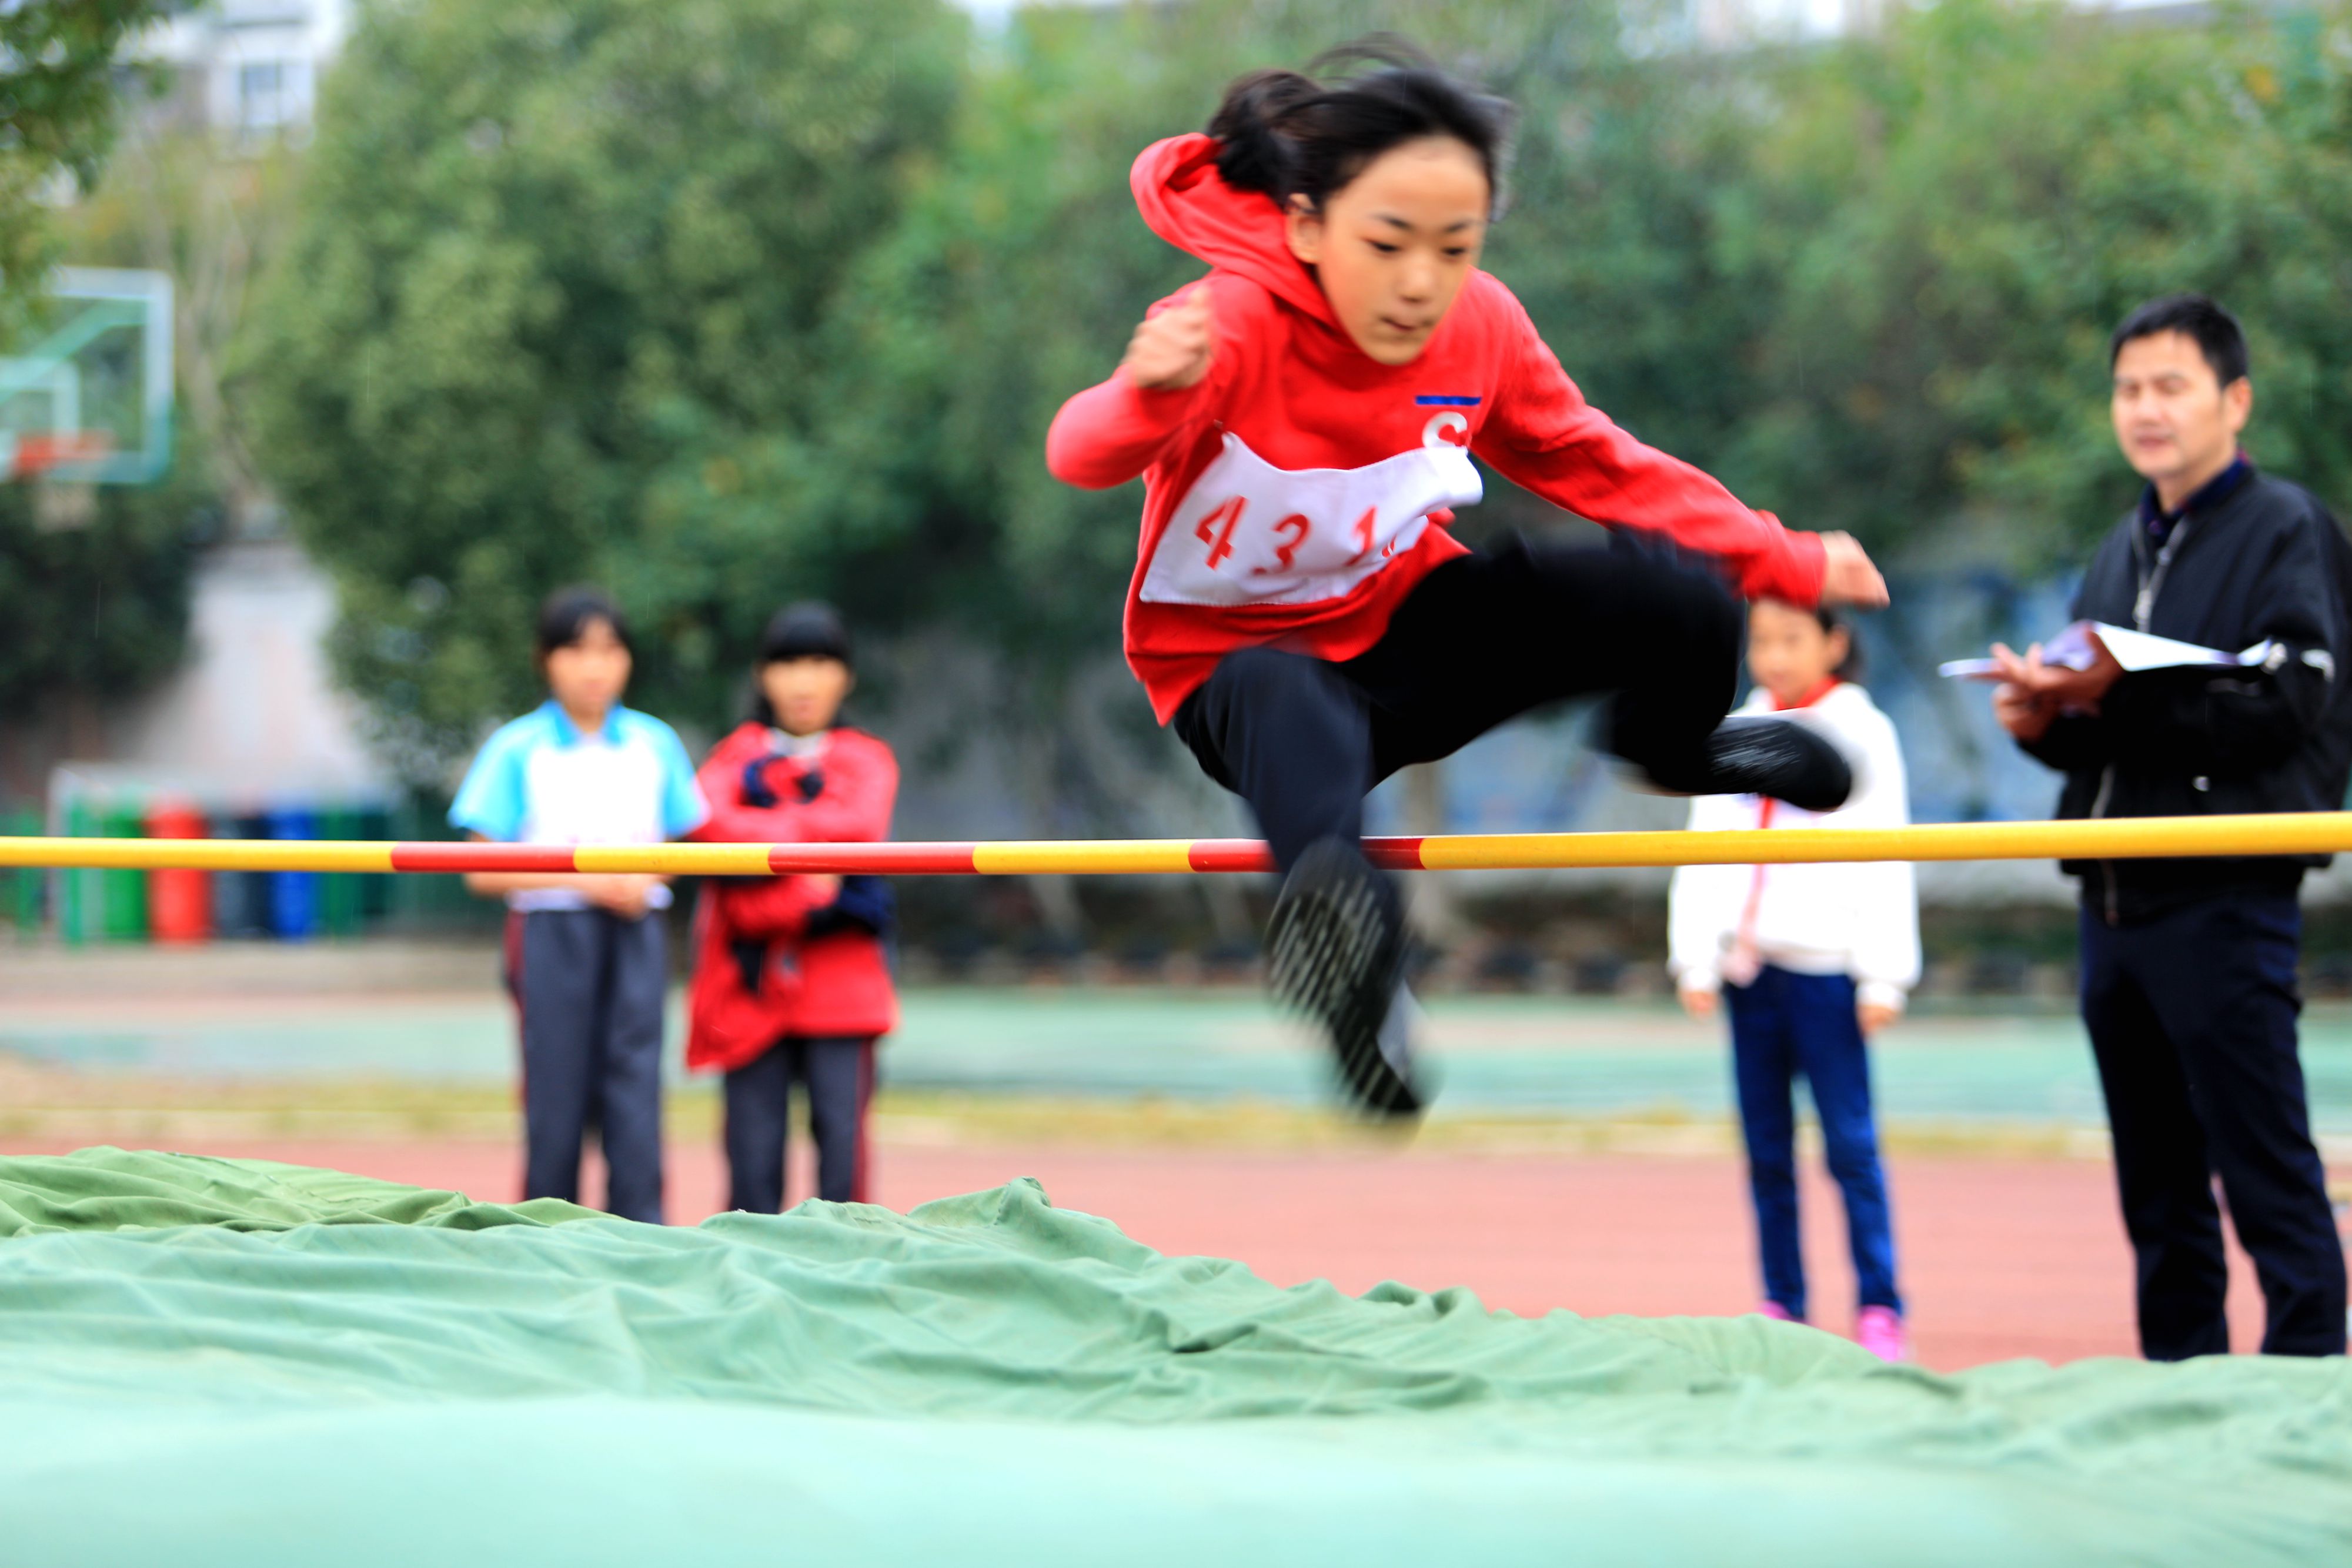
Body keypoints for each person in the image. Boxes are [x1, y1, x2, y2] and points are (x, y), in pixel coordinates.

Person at [1044, 44, 1890, 1117]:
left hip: (1412, 632)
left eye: (1455, 247)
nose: (1419, 284)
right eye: (1388, 244)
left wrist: (1784, 557)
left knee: (1673, 598)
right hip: (1236, 670)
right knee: (1286, 699)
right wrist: (1138, 393)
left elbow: (1601, 464)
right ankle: (1361, 976)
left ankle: (1679, 745)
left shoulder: (1478, 325)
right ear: (1307, 226)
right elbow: (1079, 454)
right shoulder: (1234, 323)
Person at [1985, 292, 2350, 1358]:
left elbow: (2292, 702)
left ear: (2234, 401)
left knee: (2267, 1175)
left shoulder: (2286, 528)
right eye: (2129, 388)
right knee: (2158, 1194)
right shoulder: (2120, 545)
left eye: (2171, 386)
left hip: (2225, 898)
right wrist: (2041, 718)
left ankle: (2310, 1403)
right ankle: (2181, 1396)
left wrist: (2120, 694)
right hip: (2112, 899)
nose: (2146, 409)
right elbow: (2114, 730)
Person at [1670, 600, 1919, 1362]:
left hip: (1827, 973)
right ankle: (1783, 1299)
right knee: (1767, 1150)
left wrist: (1885, 973)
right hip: (1754, 972)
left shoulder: (1863, 730)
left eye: (1792, 640)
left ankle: (1880, 1304)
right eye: (1762, 641)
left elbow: (1889, 852)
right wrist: (1695, 953)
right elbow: (1706, 839)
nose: (1773, 657)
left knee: (1850, 1145)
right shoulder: (1737, 727)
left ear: (1835, 643)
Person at [449, 587, 709, 1224]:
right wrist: (590, 880)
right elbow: (477, 869)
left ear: (627, 660)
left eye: (609, 649)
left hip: (637, 933)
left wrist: (641, 878)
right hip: (552, 935)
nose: (594, 666)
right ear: (546, 660)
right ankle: (546, 1236)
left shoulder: (654, 743)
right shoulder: (518, 747)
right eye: (576, 650)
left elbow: (687, 842)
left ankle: (642, 1241)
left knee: (635, 1095)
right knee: (556, 1098)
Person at [687, 603, 898, 1212]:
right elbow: (703, 823)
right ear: (761, 675)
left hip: (844, 986)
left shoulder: (866, 757)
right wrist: (813, 874)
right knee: (751, 1169)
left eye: (819, 662)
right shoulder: (734, 754)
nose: (803, 681)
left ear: (846, 676)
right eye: (787, 663)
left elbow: (861, 824)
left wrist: (761, 837)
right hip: (749, 990)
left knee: (844, 1169)